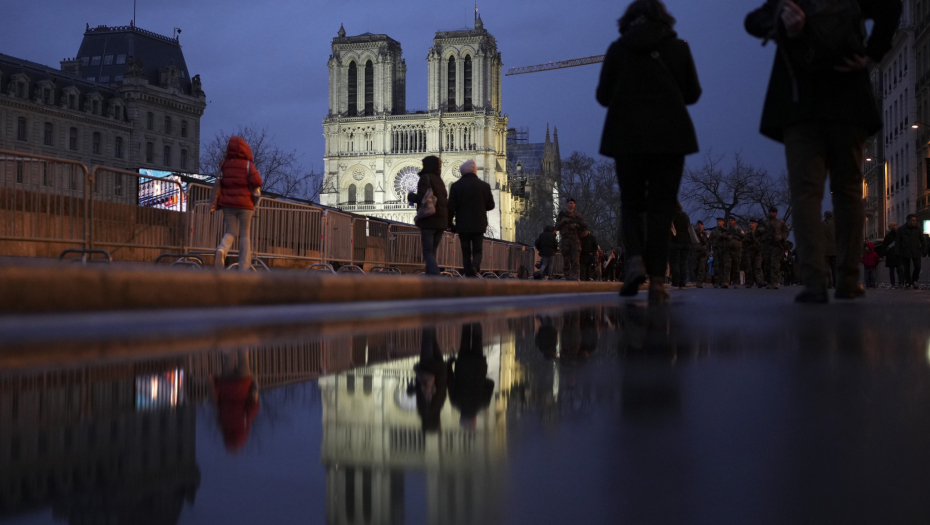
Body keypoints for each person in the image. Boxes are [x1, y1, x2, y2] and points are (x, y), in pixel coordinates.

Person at [745, 0, 902, 303]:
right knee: (849, 190)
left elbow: (753, 22)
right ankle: (848, 280)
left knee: (806, 193)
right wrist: (872, 52)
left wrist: (782, 25)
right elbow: (890, 6)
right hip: (848, 96)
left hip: (800, 99)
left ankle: (815, 281)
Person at [597, 0, 701, 303]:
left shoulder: (618, 49)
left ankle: (634, 262)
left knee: (631, 204)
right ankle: (657, 279)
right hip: (670, 137)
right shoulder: (678, 48)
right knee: (661, 208)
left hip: (627, 136)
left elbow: (603, 96)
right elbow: (693, 93)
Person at [214, 136, 263, 271]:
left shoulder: (224, 165)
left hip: (228, 204)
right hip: (245, 204)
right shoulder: (247, 165)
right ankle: (244, 266)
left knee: (230, 231)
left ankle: (222, 249)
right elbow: (258, 181)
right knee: (245, 234)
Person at [448, 159, 495, 277]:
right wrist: (481, 207)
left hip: (463, 225)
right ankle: (475, 267)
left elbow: (451, 207)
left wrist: (450, 224)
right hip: (479, 223)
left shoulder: (456, 186)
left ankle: (468, 272)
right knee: (478, 250)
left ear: (462, 172)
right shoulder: (484, 186)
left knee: (466, 252)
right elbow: (491, 205)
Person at [448, 323, 495, 430]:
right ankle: (466, 319)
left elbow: (491, 383)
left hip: (478, 366)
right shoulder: (455, 403)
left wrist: (481, 379)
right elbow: (451, 381)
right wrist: (450, 364)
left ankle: (476, 320)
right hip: (462, 365)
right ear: (461, 418)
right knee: (465, 339)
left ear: (474, 420)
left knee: (477, 340)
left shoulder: (483, 404)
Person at [407, 155, 449, 275]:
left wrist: (411, 196)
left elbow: (422, 198)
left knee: (427, 252)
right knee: (432, 251)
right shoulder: (439, 180)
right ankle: (431, 278)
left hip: (429, 219)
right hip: (441, 221)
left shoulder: (425, 178)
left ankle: (435, 275)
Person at [212, 348, 259, 453]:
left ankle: (243, 346)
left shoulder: (244, 425)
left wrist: (255, 387)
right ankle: (229, 348)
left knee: (243, 358)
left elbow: (253, 408)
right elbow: (217, 403)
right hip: (226, 384)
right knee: (229, 359)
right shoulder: (222, 424)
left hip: (243, 383)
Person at [411, 326, 449, 432]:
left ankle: (432, 318)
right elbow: (420, 388)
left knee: (433, 339)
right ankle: (428, 318)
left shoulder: (439, 406)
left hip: (440, 368)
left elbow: (444, 388)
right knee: (427, 337)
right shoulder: (423, 409)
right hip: (427, 367)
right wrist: (411, 390)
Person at [555, 199, 587, 281]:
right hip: (565, 239)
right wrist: (563, 221)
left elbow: (584, 226)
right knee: (566, 260)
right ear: (567, 204)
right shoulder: (562, 214)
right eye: (570, 203)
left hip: (575, 239)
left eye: (573, 203)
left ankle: (575, 276)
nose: (571, 205)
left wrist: (576, 225)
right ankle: (567, 276)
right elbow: (557, 226)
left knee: (575, 260)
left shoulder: (578, 215)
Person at [760, 206, 789, 289]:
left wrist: (781, 237)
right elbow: (758, 233)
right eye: (770, 212)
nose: (771, 213)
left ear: (776, 213)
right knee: (767, 264)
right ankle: (769, 281)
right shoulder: (764, 223)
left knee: (774, 264)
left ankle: (775, 282)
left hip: (776, 245)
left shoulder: (780, 223)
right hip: (766, 245)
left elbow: (786, 232)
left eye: (773, 212)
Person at [896, 214, 926, 289]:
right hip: (905, 251)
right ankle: (908, 282)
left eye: (915, 220)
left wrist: (924, 249)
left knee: (918, 266)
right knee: (906, 268)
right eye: (913, 220)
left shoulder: (918, 229)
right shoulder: (901, 229)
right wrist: (897, 252)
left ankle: (914, 280)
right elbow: (898, 242)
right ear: (908, 220)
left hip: (916, 250)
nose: (914, 222)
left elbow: (923, 240)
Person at [668, 202, 692, 289]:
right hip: (686, 241)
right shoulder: (685, 215)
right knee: (683, 263)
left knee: (675, 262)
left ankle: (676, 282)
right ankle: (683, 283)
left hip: (676, 241)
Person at [743, 218, 766, 288]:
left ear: (756, 224)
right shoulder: (748, 233)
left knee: (757, 266)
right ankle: (749, 282)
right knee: (749, 267)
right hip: (749, 251)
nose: (751, 224)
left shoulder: (759, 232)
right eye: (750, 223)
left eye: (752, 223)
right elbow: (744, 242)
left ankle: (760, 281)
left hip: (757, 251)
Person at [880, 222, 903, 288]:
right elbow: (884, 246)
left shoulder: (899, 235)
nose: (897, 226)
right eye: (895, 225)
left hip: (898, 255)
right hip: (891, 256)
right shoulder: (888, 236)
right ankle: (893, 284)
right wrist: (881, 255)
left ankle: (900, 283)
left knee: (900, 270)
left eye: (896, 225)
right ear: (892, 227)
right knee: (892, 271)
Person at [709, 217, 729, 288]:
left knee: (723, 266)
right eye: (717, 221)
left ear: (723, 222)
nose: (718, 222)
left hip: (724, 250)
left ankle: (723, 281)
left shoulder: (726, 231)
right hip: (716, 250)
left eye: (720, 221)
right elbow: (710, 241)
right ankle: (716, 282)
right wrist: (708, 250)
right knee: (716, 266)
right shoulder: (714, 231)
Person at [727, 216, 745, 288]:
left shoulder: (738, 230)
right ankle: (726, 282)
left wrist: (735, 236)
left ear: (735, 221)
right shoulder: (727, 230)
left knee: (736, 267)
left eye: (731, 220)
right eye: (729, 220)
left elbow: (743, 236)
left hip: (736, 251)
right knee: (727, 267)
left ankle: (736, 282)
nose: (730, 222)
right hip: (728, 250)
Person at [822, 211, 837, 288]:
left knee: (826, 267)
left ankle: (828, 283)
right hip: (835, 249)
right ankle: (836, 283)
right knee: (834, 267)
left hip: (826, 249)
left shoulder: (823, 224)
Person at [692, 221, 710, 288]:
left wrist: (702, 236)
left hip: (703, 252)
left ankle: (700, 282)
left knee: (701, 268)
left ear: (703, 225)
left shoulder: (705, 233)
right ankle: (696, 280)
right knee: (695, 267)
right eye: (698, 225)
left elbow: (707, 242)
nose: (699, 226)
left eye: (700, 225)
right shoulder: (694, 233)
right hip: (696, 252)